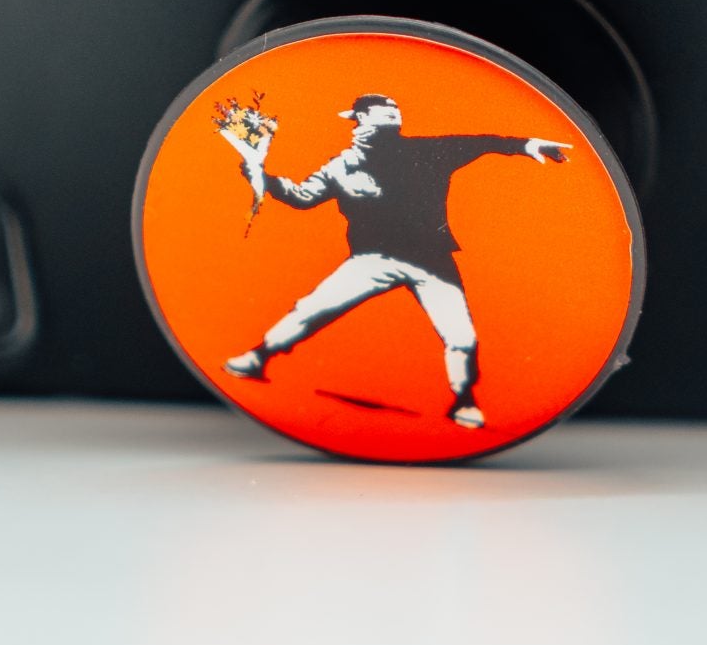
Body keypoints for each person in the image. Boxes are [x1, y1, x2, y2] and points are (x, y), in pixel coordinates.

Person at [220, 93, 569, 428]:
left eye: (395, 109)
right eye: (381, 109)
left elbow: (480, 143)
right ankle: (258, 358)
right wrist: (262, 178)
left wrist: (527, 145)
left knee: (461, 335)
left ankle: (464, 400)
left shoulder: (428, 151)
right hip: (371, 259)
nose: (392, 113)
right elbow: (302, 197)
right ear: (359, 118)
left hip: (431, 261)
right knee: (312, 309)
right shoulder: (340, 165)